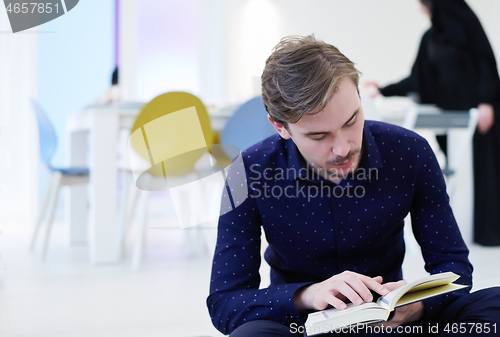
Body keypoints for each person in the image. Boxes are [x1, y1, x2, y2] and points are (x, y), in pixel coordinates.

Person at [206, 35, 500, 336]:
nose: (342, 148)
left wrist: (418, 305)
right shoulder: (246, 171)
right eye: (319, 136)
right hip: (299, 326)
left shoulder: (410, 152)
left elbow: (455, 270)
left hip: (391, 325)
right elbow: (225, 302)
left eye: (351, 121)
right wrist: (309, 295)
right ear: (280, 126)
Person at [365, 0, 500, 246]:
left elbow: (487, 65)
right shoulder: (430, 38)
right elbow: (417, 79)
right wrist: (383, 89)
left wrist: (487, 102)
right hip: (452, 123)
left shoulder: (469, 30)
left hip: (480, 118)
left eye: (425, 4)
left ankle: (490, 235)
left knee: (487, 173)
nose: (421, 9)